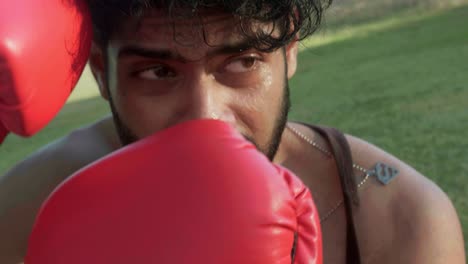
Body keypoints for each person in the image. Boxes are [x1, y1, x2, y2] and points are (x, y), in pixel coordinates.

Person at [0, 1, 465, 264]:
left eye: (242, 63)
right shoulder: (27, 209)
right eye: (158, 73)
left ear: (290, 50)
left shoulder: (402, 222)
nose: (206, 117)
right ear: (102, 72)